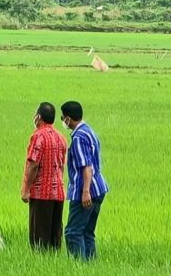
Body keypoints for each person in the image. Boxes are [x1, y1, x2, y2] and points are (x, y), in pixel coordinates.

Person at [60, 101, 109, 261]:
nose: (63, 121)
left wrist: (85, 192)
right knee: (87, 232)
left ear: (68, 119)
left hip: (86, 191)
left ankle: (79, 268)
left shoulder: (79, 138)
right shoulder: (89, 131)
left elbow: (86, 167)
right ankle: (90, 266)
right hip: (99, 188)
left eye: (63, 118)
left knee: (73, 232)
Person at [21, 102, 67, 251]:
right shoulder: (61, 137)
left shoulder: (38, 136)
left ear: (38, 117)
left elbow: (33, 164)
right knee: (55, 239)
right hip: (58, 193)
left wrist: (26, 190)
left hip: (41, 194)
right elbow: (61, 166)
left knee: (39, 240)